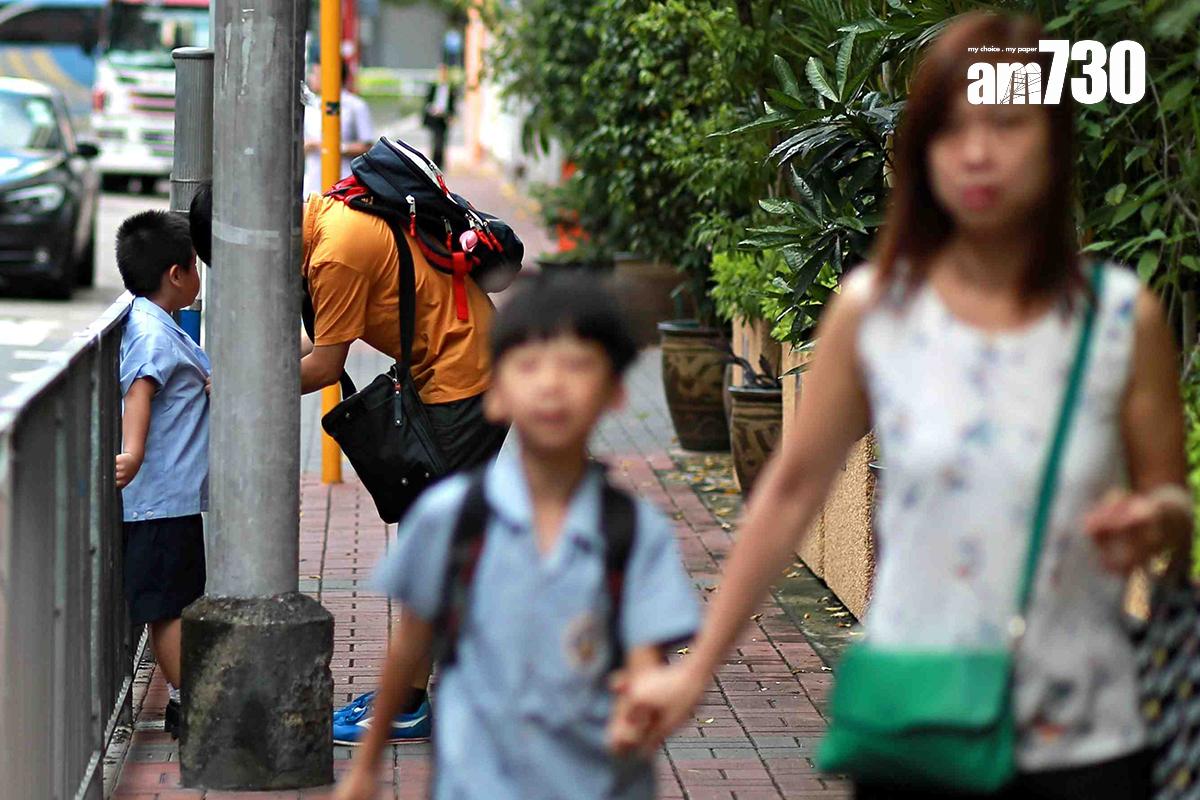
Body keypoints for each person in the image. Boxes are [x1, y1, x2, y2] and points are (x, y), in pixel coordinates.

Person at [610, 12, 1192, 799]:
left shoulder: (1119, 320)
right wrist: (696, 671)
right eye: (950, 129)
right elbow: (790, 493)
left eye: (1007, 124)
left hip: (1085, 737)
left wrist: (1153, 520)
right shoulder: (877, 312)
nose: (977, 152)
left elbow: (1172, 509)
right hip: (916, 726)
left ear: (1054, 143)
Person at [333, 274, 699, 799]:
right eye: (529, 366)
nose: (551, 385)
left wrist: (645, 701)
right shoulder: (450, 517)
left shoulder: (635, 531)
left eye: (577, 366)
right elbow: (410, 641)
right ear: (496, 393)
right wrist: (366, 766)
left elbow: (647, 656)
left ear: (615, 392)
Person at [189, 183, 509, 741]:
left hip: (465, 383)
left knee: (431, 544)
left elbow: (324, 367)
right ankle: (421, 689)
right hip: (458, 372)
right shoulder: (332, 220)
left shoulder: (334, 254)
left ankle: (410, 702)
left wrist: (244, 384)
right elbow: (320, 346)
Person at [114, 210, 211, 740]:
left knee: (172, 603)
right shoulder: (152, 334)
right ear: (177, 274)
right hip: (161, 499)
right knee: (170, 608)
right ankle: (188, 704)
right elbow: (140, 390)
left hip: (168, 496)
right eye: (195, 267)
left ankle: (183, 700)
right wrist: (132, 452)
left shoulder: (155, 322)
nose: (199, 277)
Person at [303, 61, 375, 198]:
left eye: (316, 74)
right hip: (312, 184)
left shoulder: (355, 106)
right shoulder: (311, 106)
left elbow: (367, 146)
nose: (311, 78)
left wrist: (334, 147)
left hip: (344, 184)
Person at [423, 63, 457, 168]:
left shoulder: (450, 88)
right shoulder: (433, 87)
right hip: (434, 117)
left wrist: (451, 116)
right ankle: (434, 163)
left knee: (442, 141)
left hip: (444, 118)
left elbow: (452, 104)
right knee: (435, 141)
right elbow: (427, 102)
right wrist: (433, 110)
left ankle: (440, 164)